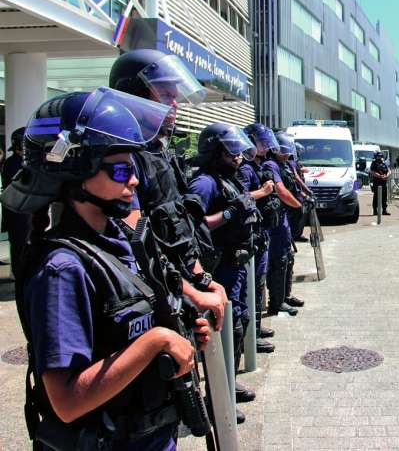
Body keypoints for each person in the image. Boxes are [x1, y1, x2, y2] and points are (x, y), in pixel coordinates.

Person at [2, 87, 210, 450]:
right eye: (120, 169)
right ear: (76, 171)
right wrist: (157, 341)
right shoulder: (62, 269)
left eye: (133, 169)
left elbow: (124, 328)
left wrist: (181, 331)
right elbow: (67, 403)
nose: (133, 180)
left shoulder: (118, 240)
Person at [109, 49, 228, 341]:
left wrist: (201, 278)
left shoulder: (159, 152)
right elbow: (138, 240)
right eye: (164, 94)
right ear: (133, 95)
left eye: (175, 96)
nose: (175, 104)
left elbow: (178, 226)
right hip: (150, 300)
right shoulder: (122, 158)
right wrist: (194, 293)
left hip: (176, 290)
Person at [187, 123, 260, 420]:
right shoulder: (204, 183)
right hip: (219, 269)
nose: (238, 158)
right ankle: (217, 399)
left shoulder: (224, 178)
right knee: (225, 329)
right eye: (231, 153)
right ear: (215, 152)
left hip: (235, 265)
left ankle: (227, 383)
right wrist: (230, 212)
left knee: (238, 323)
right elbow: (195, 223)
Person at [239, 124, 281, 354]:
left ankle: (255, 328)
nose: (265, 147)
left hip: (262, 230)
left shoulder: (258, 165)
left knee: (259, 284)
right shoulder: (246, 169)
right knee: (252, 286)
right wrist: (263, 192)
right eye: (261, 143)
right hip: (252, 233)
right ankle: (250, 337)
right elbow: (240, 200)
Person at [268, 133, 304, 312]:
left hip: (284, 218)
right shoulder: (271, 165)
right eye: (283, 150)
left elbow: (295, 181)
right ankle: (276, 302)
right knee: (279, 259)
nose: (287, 154)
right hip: (276, 220)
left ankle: (285, 296)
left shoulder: (284, 164)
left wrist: (304, 197)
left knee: (288, 257)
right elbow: (281, 191)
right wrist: (298, 206)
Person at [1, 127, 31, 274]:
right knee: (21, 244)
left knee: (22, 244)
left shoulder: (13, 162)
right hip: (19, 212)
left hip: (19, 211)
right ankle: (20, 273)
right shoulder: (15, 163)